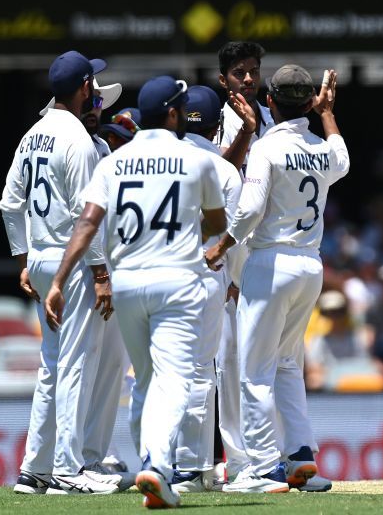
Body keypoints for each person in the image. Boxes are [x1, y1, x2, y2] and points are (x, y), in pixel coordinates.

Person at [44, 75, 227, 509]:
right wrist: (187, 230)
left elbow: (87, 223)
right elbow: (218, 223)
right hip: (177, 280)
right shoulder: (196, 159)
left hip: (126, 283)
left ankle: (149, 457)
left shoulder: (113, 162)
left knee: (146, 380)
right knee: (176, 378)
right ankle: (159, 467)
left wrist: (57, 281)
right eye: (181, 108)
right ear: (172, 113)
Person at [206, 64, 347, 493]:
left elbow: (248, 210)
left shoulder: (267, 147)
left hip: (271, 263)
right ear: (309, 102)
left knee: (254, 371)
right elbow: (342, 159)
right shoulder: (324, 148)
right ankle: (301, 458)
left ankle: (263, 468)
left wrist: (223, 244)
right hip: (310, 265)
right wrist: (326, 114)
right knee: (288, 366)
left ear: (269, 102)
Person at [0, 50, 120, 495]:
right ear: (85, 87)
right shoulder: (78, 140)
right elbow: (86, 216)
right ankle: (68, 470)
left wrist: (23, 260)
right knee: (72, 364)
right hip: (73, 264)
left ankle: (35, 469)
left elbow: (10, 204)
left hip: (43, 257)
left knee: (52, 366)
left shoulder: (32, 135)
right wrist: (101, 273)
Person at [171, 85, 242, 493]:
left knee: (163, 371)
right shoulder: (226, 169)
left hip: (159, 273)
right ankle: (192, 468)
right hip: (205, 276)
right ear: (217, 128)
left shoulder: (163, 161)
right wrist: (234, 279)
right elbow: (234, 232)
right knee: (201, 371)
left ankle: (161, 461)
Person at [215, 41, 274, 172]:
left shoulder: (276, 118)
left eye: (254, 72)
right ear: (223, 81)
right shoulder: (216, 123)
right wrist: (246, 131)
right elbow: (221, 175)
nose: (249, 79)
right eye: (239, 73)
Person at [39, 78, 123, 159]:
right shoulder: (54, 144)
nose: (93, 108)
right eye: (88, 101)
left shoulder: (103, 146)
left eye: (98, 101)